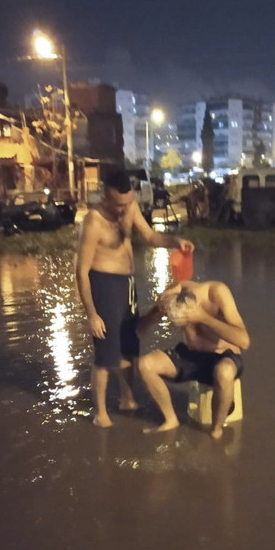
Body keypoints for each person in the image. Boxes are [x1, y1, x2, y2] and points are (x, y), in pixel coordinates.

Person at [76, 169, 194, 428]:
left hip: (127, 284)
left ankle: (127, 399)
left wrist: (176, 241)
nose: (125, 210)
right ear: (105, 198)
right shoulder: (93, 222)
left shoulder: (129, 208)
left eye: (128, 203)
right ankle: (101, 414)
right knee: (106, 352)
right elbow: (81, 271)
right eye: (119, 205)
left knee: (130, 345)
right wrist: (92, 314)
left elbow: (151, 237)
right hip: (103, 285)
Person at [138, 279, 249, 439]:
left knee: (224, 372)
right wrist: (157, 308)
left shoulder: (216, 293)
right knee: (145, 364)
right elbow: (143, 328)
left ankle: (216, 430)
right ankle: (171, 420)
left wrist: (203, 317)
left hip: (224, 355)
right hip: (192, 355)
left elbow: (244, 341)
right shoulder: (173, 295)